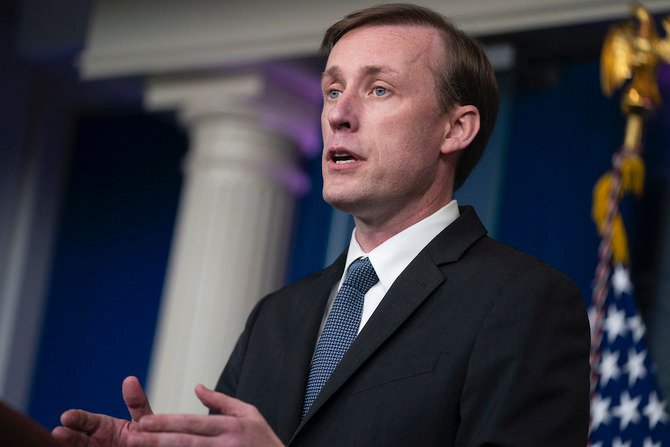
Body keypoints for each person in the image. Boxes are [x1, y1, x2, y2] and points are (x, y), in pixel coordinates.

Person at [52, 4, 590, 446]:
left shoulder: (525, 301)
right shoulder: (276, 317)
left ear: (455, 128)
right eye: (334, 90)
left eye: (378, 89)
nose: (338, 114)